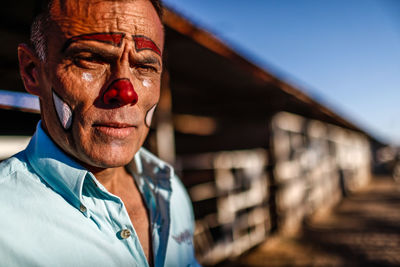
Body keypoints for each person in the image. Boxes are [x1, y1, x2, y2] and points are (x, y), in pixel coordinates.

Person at [0, 0, 199, 266]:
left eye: (145, 67)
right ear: (32, 71)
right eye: (91, 59)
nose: (125, 93)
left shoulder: (169, 190)